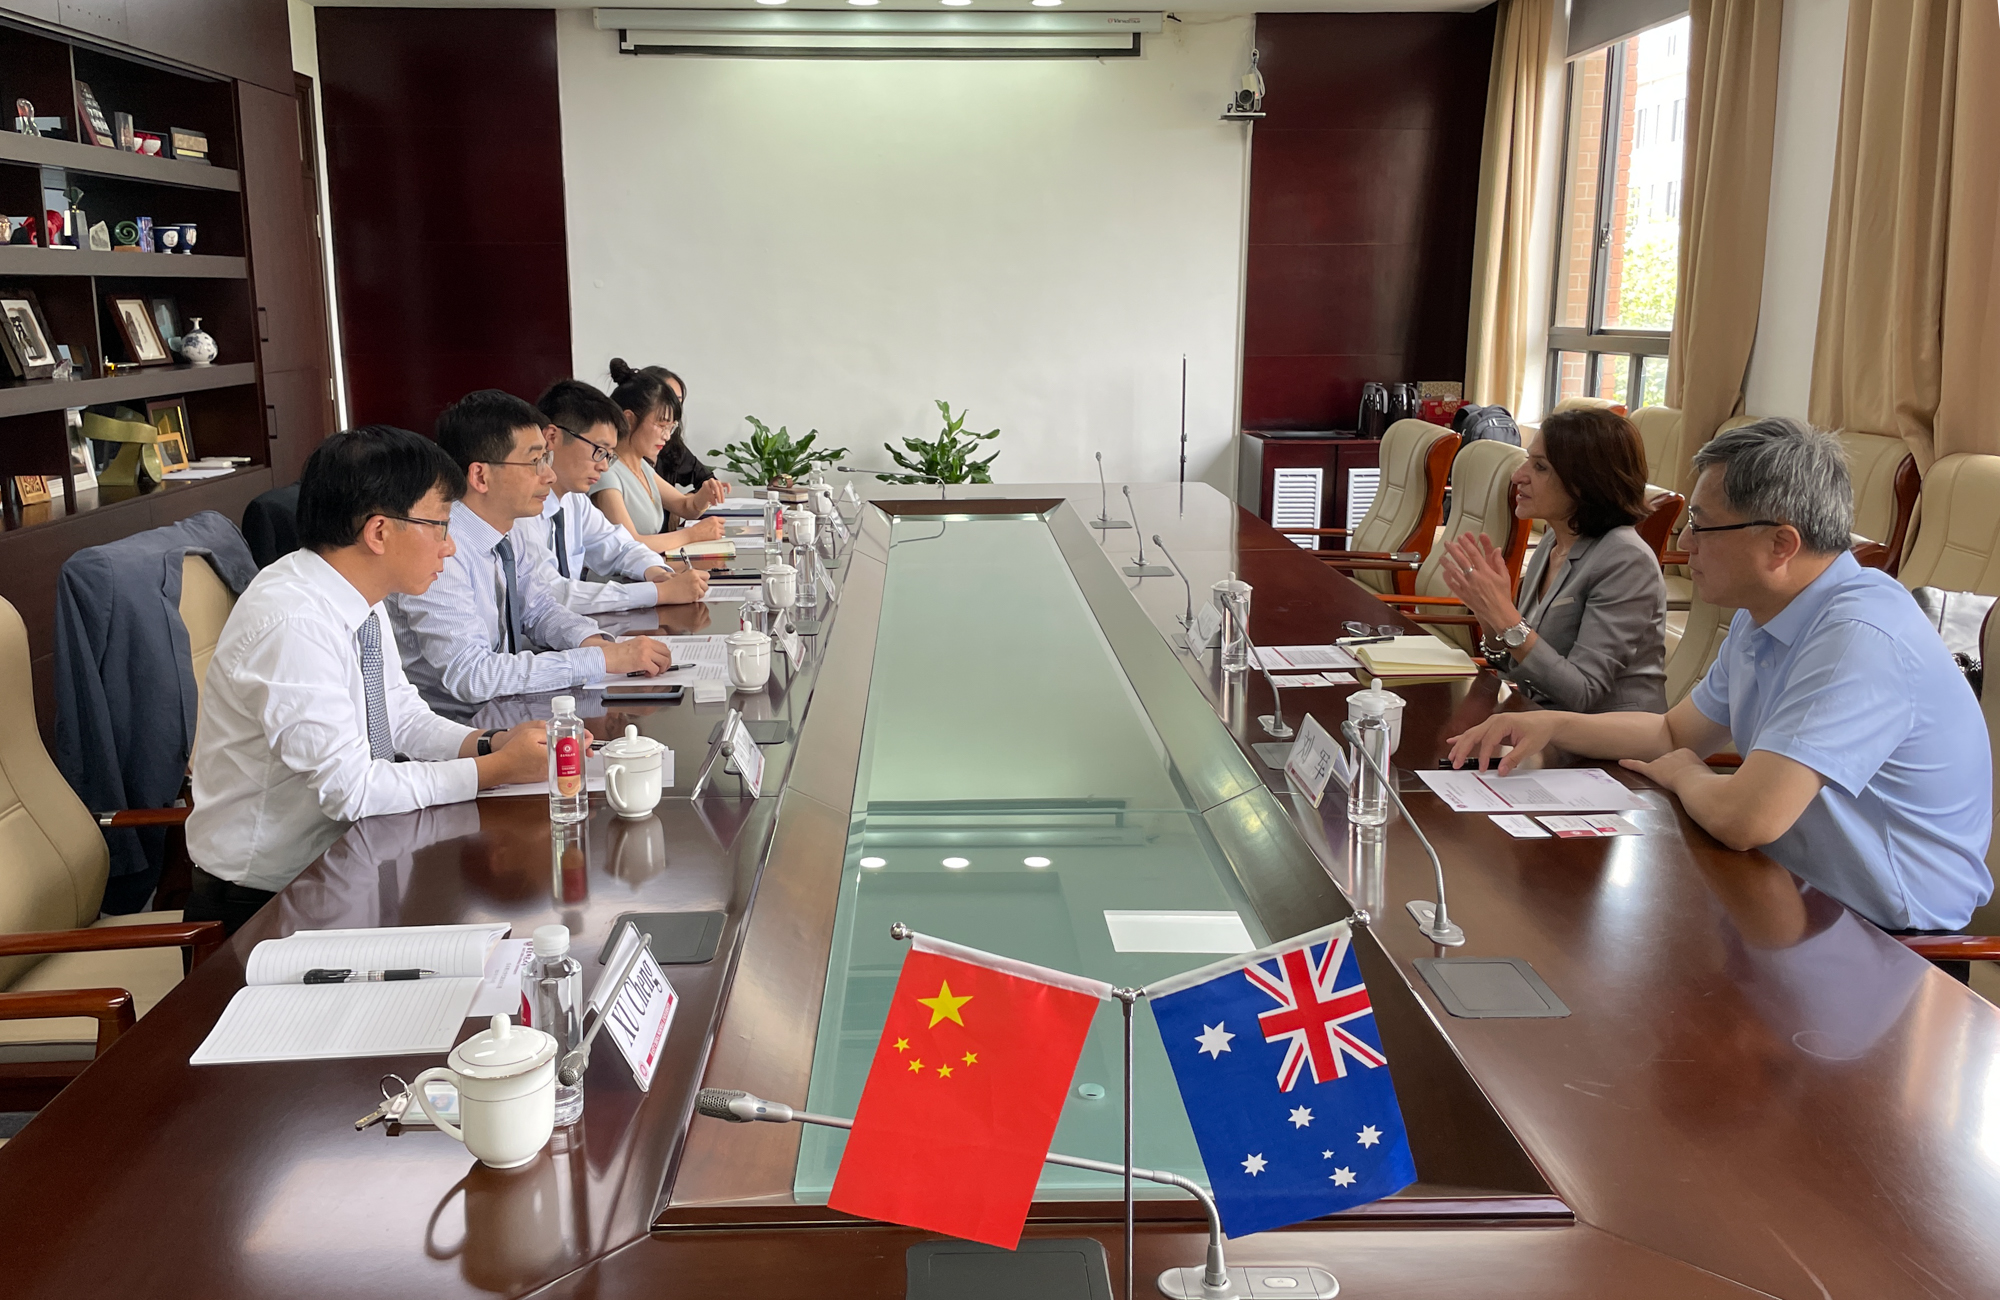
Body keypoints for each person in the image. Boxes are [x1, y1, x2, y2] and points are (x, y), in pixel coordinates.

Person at [1448, 418, 1994, 935]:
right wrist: (1552, 726)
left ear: (1781, 545)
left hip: (1889, 936)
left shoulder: (1859, 636)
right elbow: (1673, 734)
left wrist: (1689, 775)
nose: (1683, 545)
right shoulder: (1769, 613)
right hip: (1791, 892)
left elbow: (1746, 818)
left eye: (1702, 526)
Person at [182, 426, 556, 933]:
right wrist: (495, 770)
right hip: (266, 905)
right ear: (379, 532)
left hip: (351, 862)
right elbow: (351, 789)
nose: (449, 548)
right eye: (440, 526)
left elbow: (399, 714)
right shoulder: (293, 621)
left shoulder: (356, 593)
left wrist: (488, 743)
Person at [389, 389, 670, 711]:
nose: (549, 475)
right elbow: (471, 674)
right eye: (535, 461)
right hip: (458, 723)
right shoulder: (440, 548)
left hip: (507, 706)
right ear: (480, 476)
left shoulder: (508, 529)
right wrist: (597, 660)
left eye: (546, 459)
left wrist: (591, 642)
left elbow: (538, 608)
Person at [1438, 408, 1667, 712]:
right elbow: (1519, 665)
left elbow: (1582, 692)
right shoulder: (1553, 541)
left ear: (1585, 482)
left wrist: (1506, 617)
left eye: (1540, 467)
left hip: (1607, 736)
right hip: (1543, 721)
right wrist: (1490, 619)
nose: (1518, 476)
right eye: (1527, 461)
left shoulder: (1627, 560)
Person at [528, 379, 710, 611]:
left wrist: (657, 573)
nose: (604, 466)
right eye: (599, 451)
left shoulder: (575, 500)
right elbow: (550, 594)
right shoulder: (522, 510)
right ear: (552, 437)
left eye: (609, 455)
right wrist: (658, 593)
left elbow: (620, 545)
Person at [592, 359, 729, 552]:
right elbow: (629, 545)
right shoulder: (607, 472)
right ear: (629, 419)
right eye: (661, 425)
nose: (667, 436)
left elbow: (685, 506)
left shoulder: (640, 466)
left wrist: (703, 496)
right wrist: (691, 535)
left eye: (671, 427)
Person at [643, 363, 724, 494]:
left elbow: (707, 482)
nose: (674, 410)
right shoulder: (622, 465)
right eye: (669, 401)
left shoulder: (670, 445)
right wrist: (686, 503)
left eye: (678, 402)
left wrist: (689, 501)